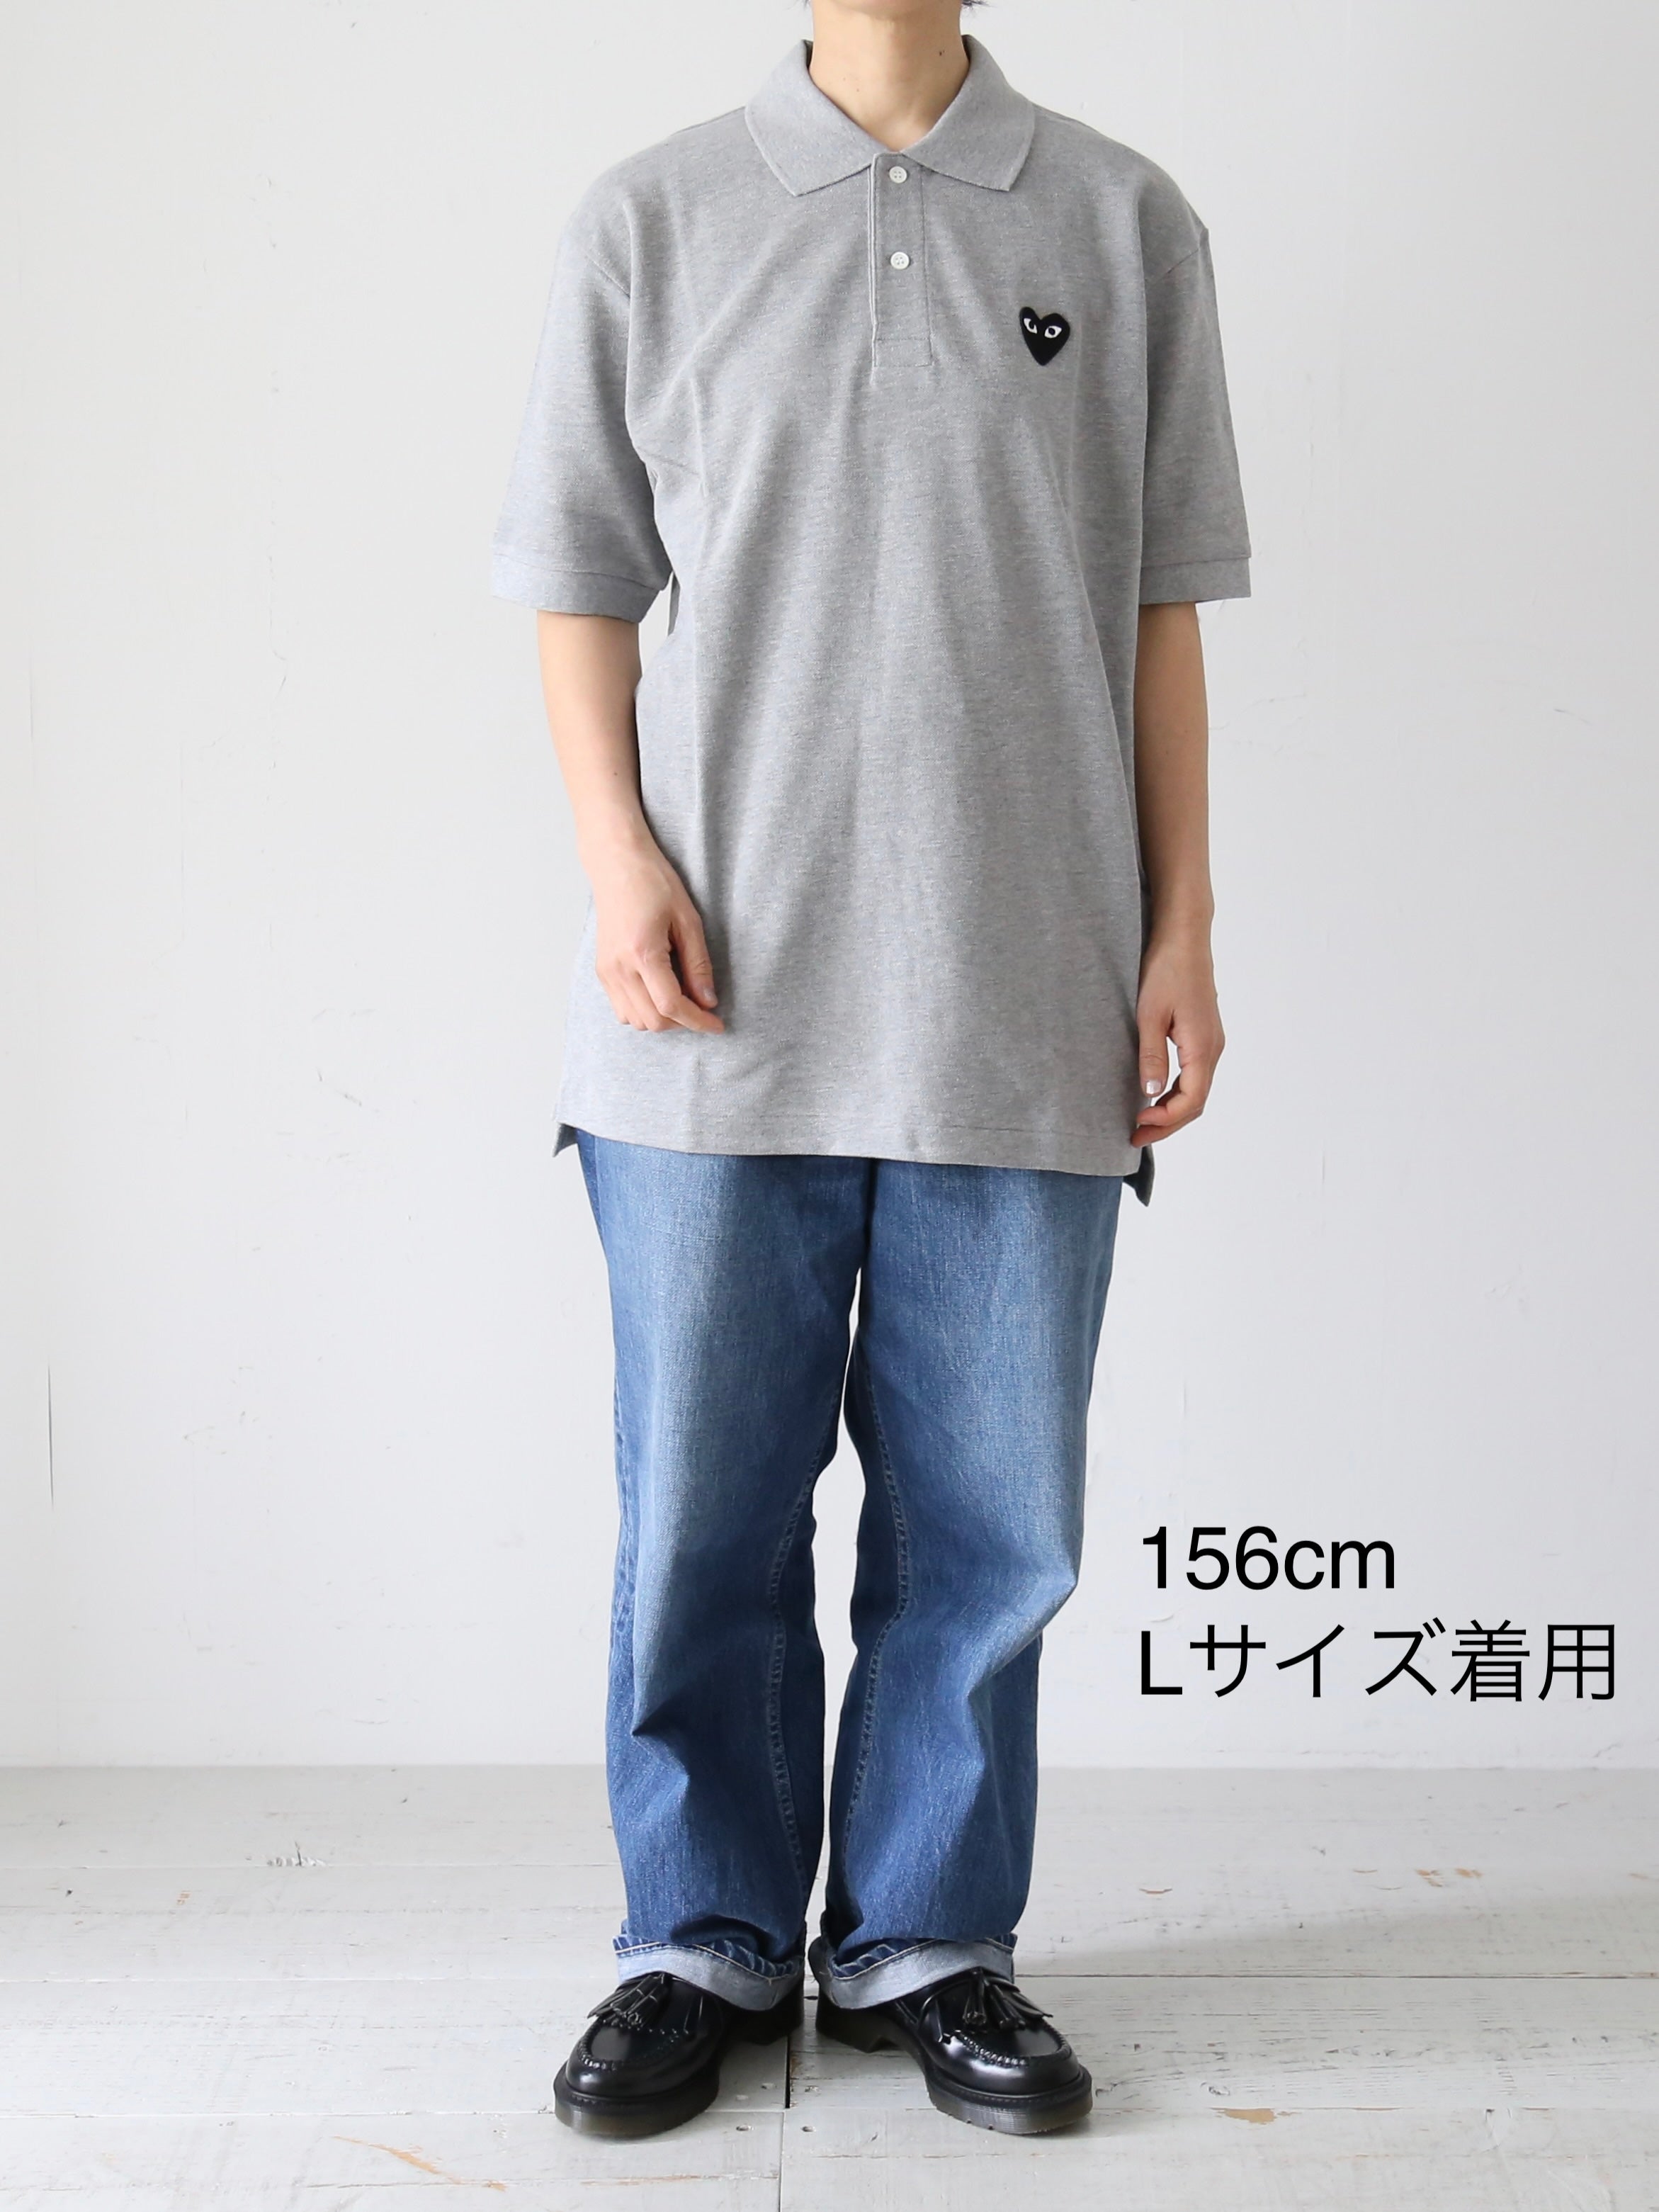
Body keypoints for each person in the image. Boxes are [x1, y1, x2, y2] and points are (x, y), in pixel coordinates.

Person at [490, 0, 1249, 2142]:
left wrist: (1184, 926)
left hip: (1024, 990)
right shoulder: (651, 218)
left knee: (992, 1527)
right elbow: (576, 580)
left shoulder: (1122, 221)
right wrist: (617, 860)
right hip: (710, 1010)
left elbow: (1162, 610)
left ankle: (925, 1934)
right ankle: (700, 1935)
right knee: (700, 1516)